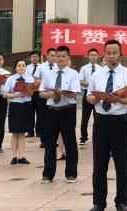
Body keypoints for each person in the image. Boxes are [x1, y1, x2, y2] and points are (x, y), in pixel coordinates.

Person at [87, 39, 127, 211]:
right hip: (101, 122)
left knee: (122, 164)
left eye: (115, 53)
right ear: (104, 54)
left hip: (120, 122)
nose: (111, 56)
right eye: (108, 53)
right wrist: (94, 99)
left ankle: (121, 201)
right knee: (99, 163)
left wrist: (119, 99)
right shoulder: (96, 75)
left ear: (120, 54)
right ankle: (98, 202)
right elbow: (88, 96)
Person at [39, 45, 80, 184]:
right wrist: (52, 94)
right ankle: (48, 173)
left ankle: (71, 173)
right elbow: (41, 93)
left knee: (70, 142)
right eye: (58, 56)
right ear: (55, 58)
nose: (60, 59)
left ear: (68, 58)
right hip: (52, 110)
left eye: (63, 56)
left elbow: (74, 93)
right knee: (50, 142)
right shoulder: (48, 74)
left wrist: (61, 92)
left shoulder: (74, 74)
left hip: (67, 109)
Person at [2, 59, 35, 165]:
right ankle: (14, 156)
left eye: (23, 65)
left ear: (26, 67)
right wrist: (16, 95)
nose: (21, 67)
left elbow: (31, 94)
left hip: (26, 106)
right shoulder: (11, 79)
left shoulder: (30, 78)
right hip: (15, 106)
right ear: (15, 68)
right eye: (19, 65)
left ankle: (21, 156)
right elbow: (4, 94)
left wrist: (28, 90)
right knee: (15, 132)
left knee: (22, 132)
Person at [34, 48, 58, 148]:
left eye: (55, 56)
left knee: (53, 118)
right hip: (43, 95)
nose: (54, 57)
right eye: (51, 55)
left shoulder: (58, 67)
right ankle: (43, 140)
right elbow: (35, 79)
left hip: (55, 95)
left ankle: (53, 140)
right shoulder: (41, 67)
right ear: (47, 56)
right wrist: (45, 84)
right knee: (42, 118)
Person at [79, 48, 100, 145]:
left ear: (98, 56)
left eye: (95, 55)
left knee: (97, 116)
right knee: (85, 117)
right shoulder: (84, 68)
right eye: (91, 55)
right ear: (88, 56)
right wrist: (90, 84)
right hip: (87, 92)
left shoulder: (101, 68)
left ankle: (97, 136)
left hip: (97, 94)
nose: (93, 57)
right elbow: (80, 81)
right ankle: (83, 137)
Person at [26, 50, 41, 137]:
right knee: (29, 112)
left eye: (36, 56)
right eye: (33, 57)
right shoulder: (27, 67)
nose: (34, 58)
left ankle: (39, 131)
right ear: (30, 58)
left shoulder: (42, 67)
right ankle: (30, 131)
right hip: (30, 91)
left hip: (39, 92)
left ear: (39, 58)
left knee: (40, 112)